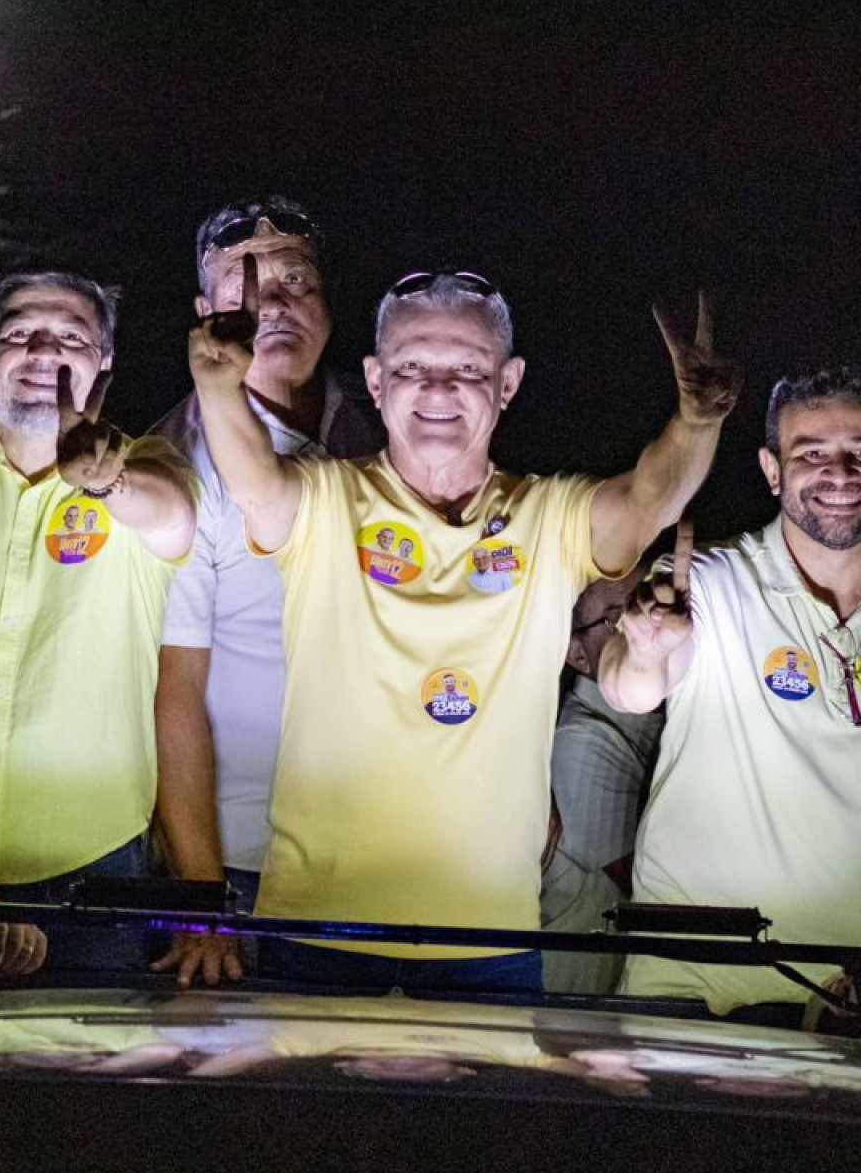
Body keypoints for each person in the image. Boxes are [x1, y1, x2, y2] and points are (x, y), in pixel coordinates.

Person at [188, 266, 738, 989]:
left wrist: (697, 423)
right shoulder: (325, 500)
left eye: (468, 369)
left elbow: (646, 501)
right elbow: (254, 479)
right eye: (413, 365)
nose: (440, 389)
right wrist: (218, 386)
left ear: (507, 385)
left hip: (488, 935)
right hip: (318, 922)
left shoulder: (550, 516)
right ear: (376, 382)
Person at [0, 269, 196, 974]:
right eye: (19, 334)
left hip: (86, 866)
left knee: (84, 1079)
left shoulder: (146, 465)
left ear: (103, 370)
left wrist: (107, 481)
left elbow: (173, 519)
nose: (44, 350)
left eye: (72, 337)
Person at [151, 198, 385, 985]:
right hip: (247, 863)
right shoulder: (175, 464)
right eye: (242, 284)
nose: (274, 303)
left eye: (297, 279)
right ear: (203, 312)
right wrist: (200, 895)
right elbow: (170, 693)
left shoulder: (384, 425)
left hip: (380, 841)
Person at [602, 369, 861, 1019]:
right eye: (812, 454)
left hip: (841, 1014)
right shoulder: (713, 583)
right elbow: (628, 685)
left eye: (857, 450)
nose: (840, 472)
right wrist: (644, 650)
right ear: (772, 470)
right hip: (696, 1004)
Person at [542, 567, 663, 995]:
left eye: (647, 604)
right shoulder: (583, 741)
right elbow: (643, 877)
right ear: (577, 654)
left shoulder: (638, 724)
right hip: (581, 991)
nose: (644, 626)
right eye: (616, 619)